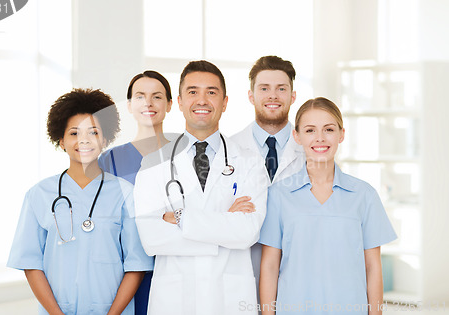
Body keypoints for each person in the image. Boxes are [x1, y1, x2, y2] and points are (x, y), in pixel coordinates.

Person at [133, 60, 269, 315]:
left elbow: (247, 233)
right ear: (181, 102)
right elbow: (151, 239)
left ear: (225, 102)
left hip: (230, 301)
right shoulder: (153, 163)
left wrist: (182, 218)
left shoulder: (250, 162)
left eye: (211, 92)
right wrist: (225, 222)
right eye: (193, 92)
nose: (202, 100)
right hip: (174, 302)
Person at [7, 88, 154, 315]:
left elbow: (136, 265)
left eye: (93, 132)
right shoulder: (39, 194)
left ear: (105, 139)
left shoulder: (126, 194)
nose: (83, 140)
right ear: (61, 140)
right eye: (74, 133)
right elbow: (31, 263)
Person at [258, 97, 397, 315]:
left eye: (329, 129)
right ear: (297, 136)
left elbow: (372, 267)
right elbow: (269, 266)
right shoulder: (278, 195)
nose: (320, 138)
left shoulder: (364, 195)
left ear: (342, 134)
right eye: (310, 130)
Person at [231, 55, 306, 302]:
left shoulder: (312, 149)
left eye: (281, 89)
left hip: (298, 268)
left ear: (292, 96)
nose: (273, 96)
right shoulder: (228, 150)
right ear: (251, 96)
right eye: (264, 88)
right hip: (242, 270)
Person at [99, 71, 173, 315]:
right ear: (129, 105)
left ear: (170, 105)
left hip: (175, 267)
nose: (148, 103)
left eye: (157, 97)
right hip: (126, 274)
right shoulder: (109, 160)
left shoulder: (185, 154)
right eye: (140, 96)